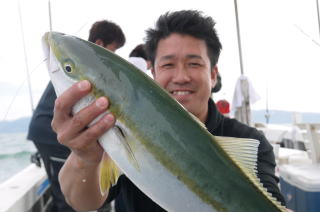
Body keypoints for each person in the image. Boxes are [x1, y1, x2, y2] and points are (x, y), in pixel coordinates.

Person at [53, 10, 286, 212]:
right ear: (152, 73)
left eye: (194, 63)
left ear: (213, 74)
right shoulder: (110, 129)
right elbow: (83, 202)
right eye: (168, 65)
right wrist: (85, 157)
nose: (181, 77)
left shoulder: (248, 139)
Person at [27, 19, 125, 212]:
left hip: (52, 132)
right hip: (49, 133)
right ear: (99, 44)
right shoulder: (80, 70)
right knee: (65, 196)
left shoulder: (84, 69)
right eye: (113, 50)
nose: (114, 56)